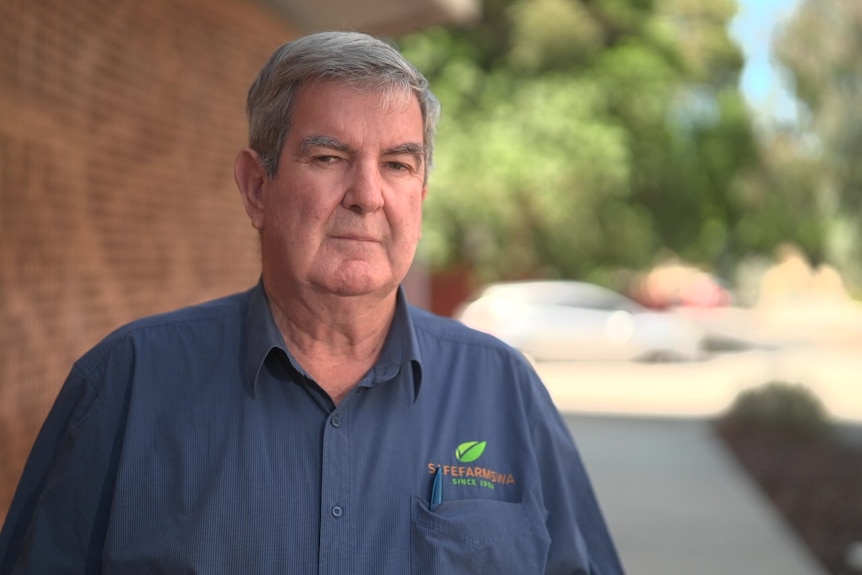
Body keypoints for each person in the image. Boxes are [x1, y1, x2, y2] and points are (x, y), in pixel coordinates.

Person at [0, 31, 625, 574]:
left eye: (399, 165)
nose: (367, 195)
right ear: (256, 188)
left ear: (422, 192)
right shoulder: (125, 386)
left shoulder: (504, 389)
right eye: (329, 158)